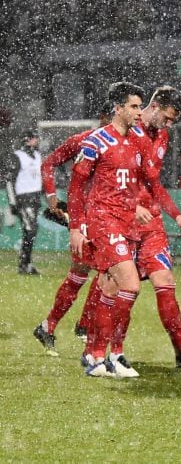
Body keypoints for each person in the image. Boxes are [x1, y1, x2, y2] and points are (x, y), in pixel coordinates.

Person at [120, 86, 181, 370]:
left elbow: (153, 182)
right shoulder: (126, 131)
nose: (170, 124)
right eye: (168, 117)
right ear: (154, 106)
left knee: (165, 282)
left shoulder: (161, 136)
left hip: (151, 223)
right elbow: (108, 178)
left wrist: (176, 215)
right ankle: (104, 351)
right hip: (124, 220)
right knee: (116, 288)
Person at [67, 82, 152, 378]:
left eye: (140, 106)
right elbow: (76, 187)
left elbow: (132, 183)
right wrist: (77, 227)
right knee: (131, 284)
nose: (139, 112)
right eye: (134, 106)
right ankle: (112, 350)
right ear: (118, 108)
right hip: (103, 221)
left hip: (126, 222)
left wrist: (137, 206)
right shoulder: (96, 141)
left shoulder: (135, 142)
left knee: (110, 288)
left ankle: (100, 355)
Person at [32, 102, 112, 354]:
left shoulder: (126, 143)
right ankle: (69, 326)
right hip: (85, 218)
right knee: (92, 272)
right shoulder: (85, 141)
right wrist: (52, 194)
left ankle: (70, 325)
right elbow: (48, 164)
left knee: (103, 272)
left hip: (108, 217)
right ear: (104, 116)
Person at [5, 129, 43, 274]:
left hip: (34, 198)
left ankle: (25, 263)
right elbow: (9, 180)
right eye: (34, 138)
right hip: (24, 199)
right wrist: (13, 202)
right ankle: (24, 264)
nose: (36, 140)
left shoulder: (37, 156)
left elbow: (39, 178)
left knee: (31, 232)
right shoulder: (18, 156)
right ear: (28, 139)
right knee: (30, 230)